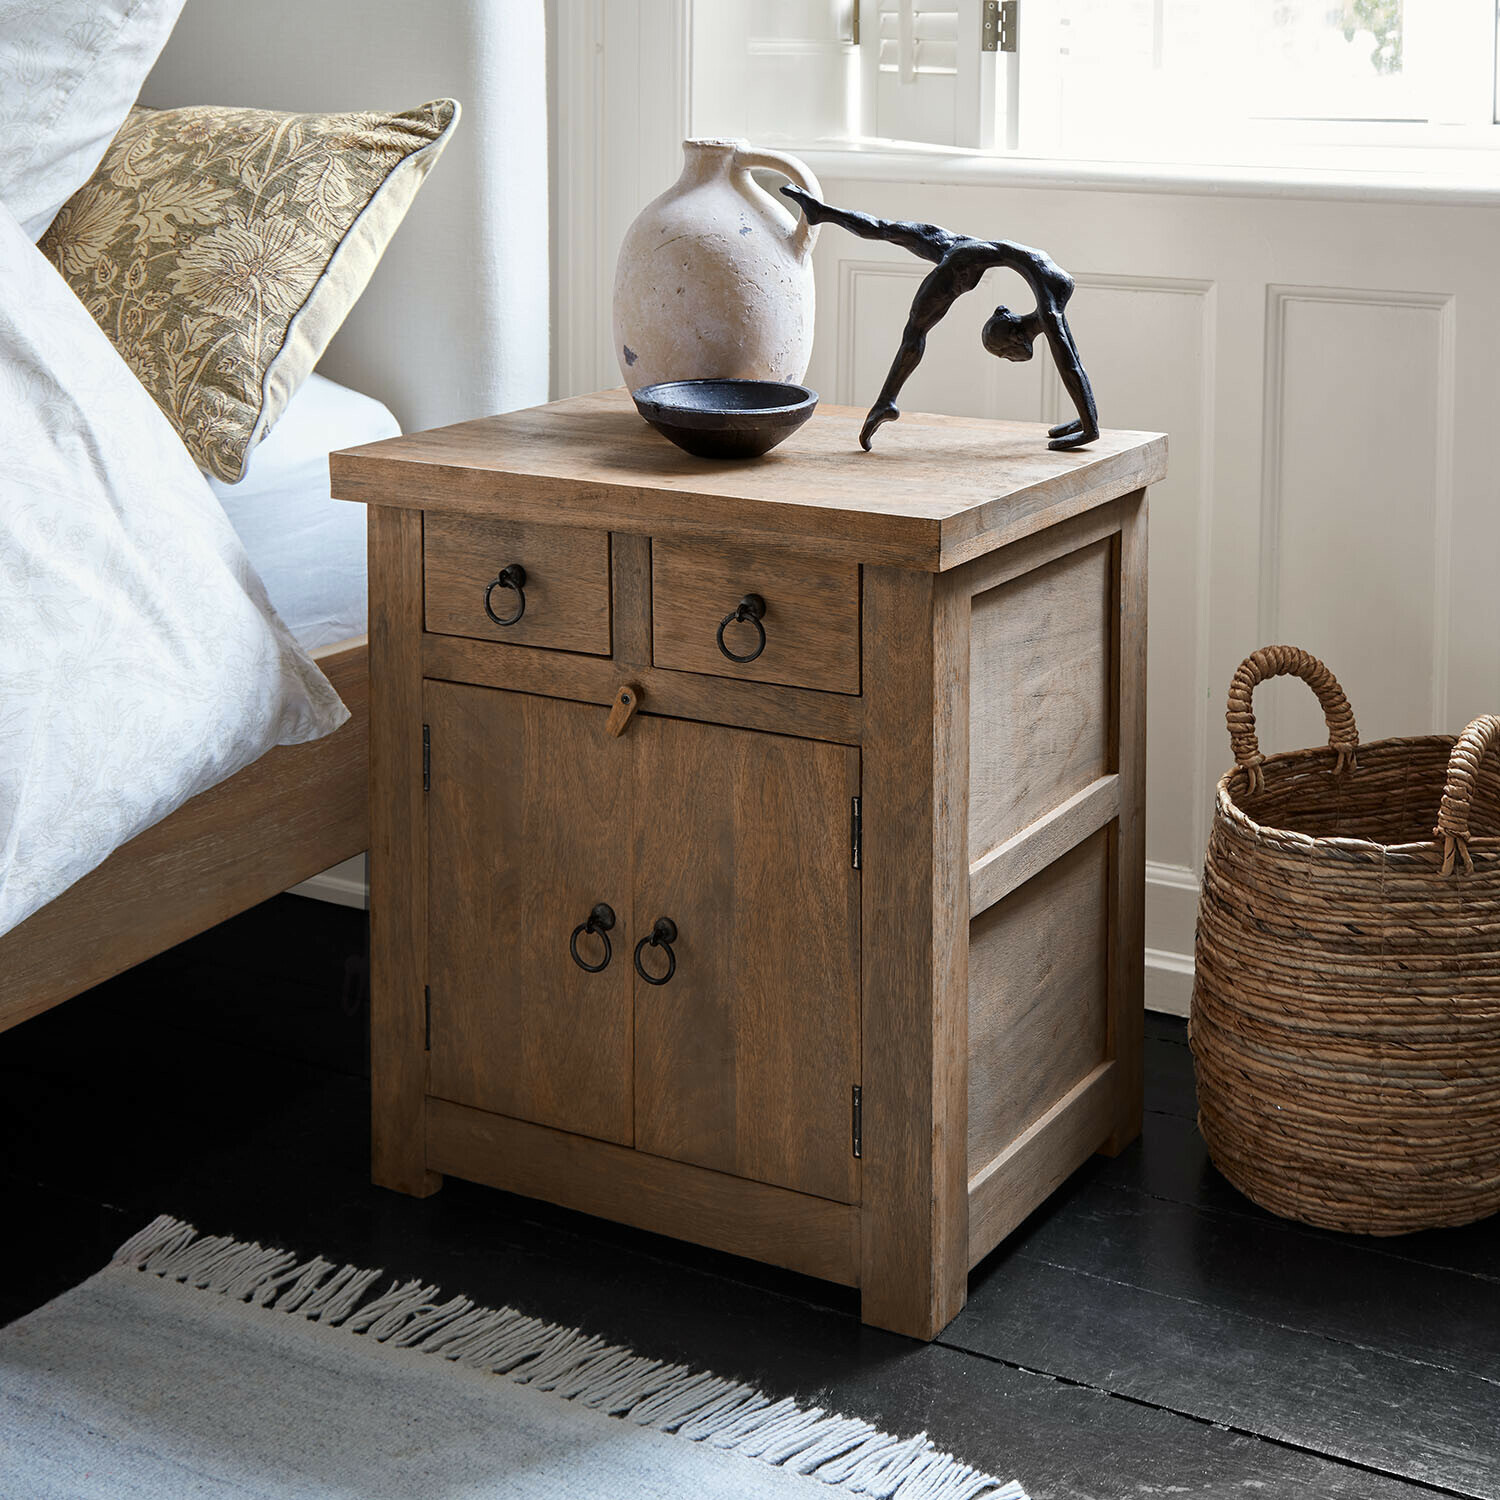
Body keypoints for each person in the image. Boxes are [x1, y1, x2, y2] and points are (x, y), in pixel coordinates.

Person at [781, 186, 1099, 452]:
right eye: (1002, 352)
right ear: (1016, 337)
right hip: (962, 259)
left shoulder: (1050, 300)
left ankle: (822, 212)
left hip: (963, 247)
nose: (1006, 358)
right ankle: (886, 401)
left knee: (886, 229)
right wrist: (1089, 427)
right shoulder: (1050, 304)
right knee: (915, 329)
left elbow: (1071, 360)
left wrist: (1087, 424)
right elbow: (1070, 362)